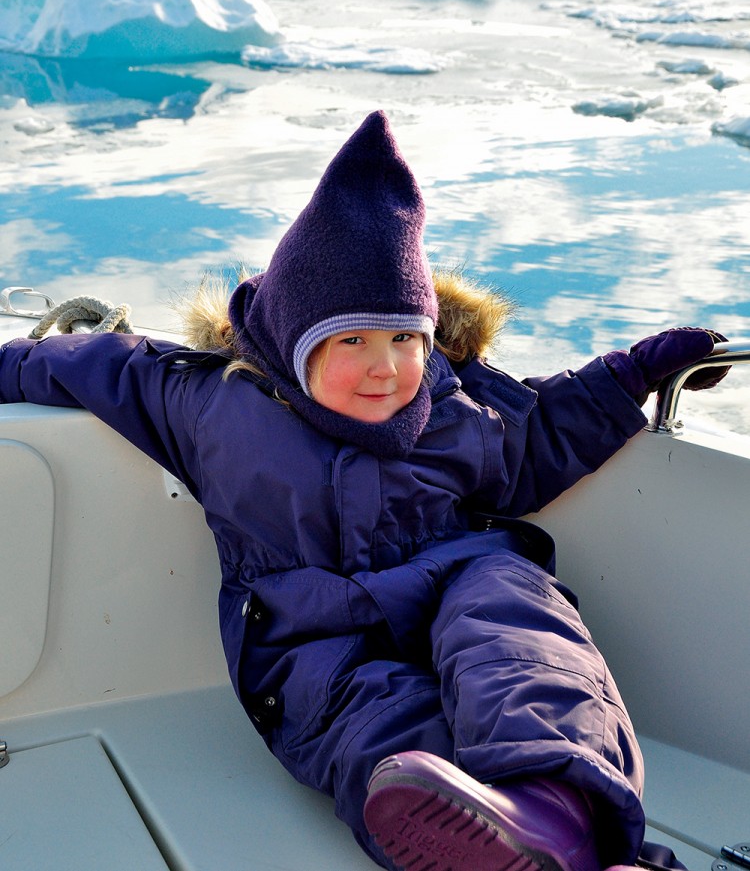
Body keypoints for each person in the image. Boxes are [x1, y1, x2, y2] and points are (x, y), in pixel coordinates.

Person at [0, 111, 727, 871]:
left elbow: (536, 438)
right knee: (377, 729)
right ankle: (503, 839)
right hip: (316, 637)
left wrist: (627, 378)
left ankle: (556, 806)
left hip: (453, 581)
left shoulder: (452, 402)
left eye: (404, 338)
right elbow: (94, 365)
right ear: (294, 338)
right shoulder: (216, 404)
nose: (386, 367)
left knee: (514, 613)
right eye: (352, 341)